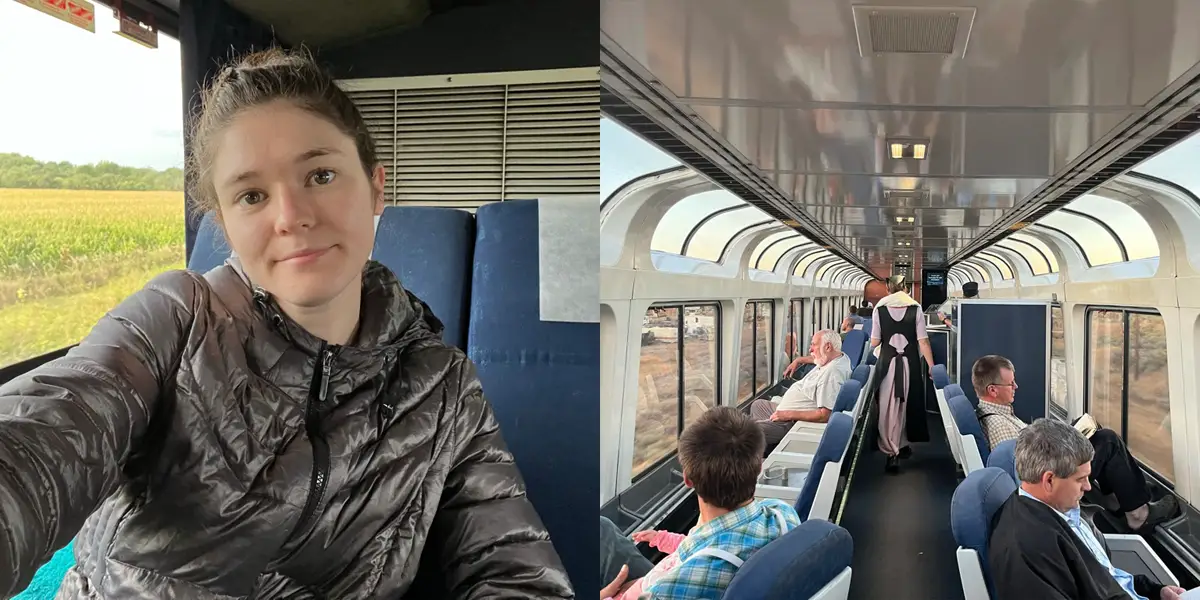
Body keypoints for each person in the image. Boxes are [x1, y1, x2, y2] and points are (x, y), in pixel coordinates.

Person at [0, 48, 570, 599]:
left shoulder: (444, 386)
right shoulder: (174, 320)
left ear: (376, 186)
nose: (291, 217)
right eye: (251, 195)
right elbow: (48, 436)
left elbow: (510, 561)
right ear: (223, 220)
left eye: (319, 175)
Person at [599, 407, 801, 599]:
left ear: (687, 479)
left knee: (602, 529)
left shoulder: (666, 590)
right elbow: (698, 547)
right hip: (668, 574)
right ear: (759, 467)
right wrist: (662, 538)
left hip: (641, 588)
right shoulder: (783, 514)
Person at [972, 355, 1178, 533]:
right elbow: (1025, 470)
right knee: (1107, 441)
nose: (1016, 387)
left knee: (1091, 434)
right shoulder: (998, 424)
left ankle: (1117, 498)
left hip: (1048, 469)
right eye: (1010, 384)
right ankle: (1138, 514)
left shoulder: (997, 414)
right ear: (993, 390)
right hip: (1051, 480)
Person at [988, 419, 1189, 600]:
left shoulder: (1062, 511)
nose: (1088, 487)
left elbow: (1104, 578)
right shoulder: (1028, 549)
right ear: (1049, 480)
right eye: (1080, 479)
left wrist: (1154, 591)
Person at [871, 275, 936, 473]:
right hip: (910, 364)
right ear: (906, 288)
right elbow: (923, 341)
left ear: (888, 289)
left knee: (887, 407)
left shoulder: (880, 309)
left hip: (887, 364)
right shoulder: (915, 308)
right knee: (906, 404)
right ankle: (902, 443)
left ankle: (891, 450)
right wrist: (932, 367)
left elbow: (875, 342)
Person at [751, 330, 851, 454]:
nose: (811, 349)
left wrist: (787, 415)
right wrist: (798, 360)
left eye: (814, 344)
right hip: (786, 412)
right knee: (758, 405)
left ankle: (763, 442)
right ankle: (766, 445)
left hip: (791, 421)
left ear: (828, 346)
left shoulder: (832, 375)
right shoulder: (837, 357)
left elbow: (825, 415)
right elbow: (813, 359)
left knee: (748, 432)